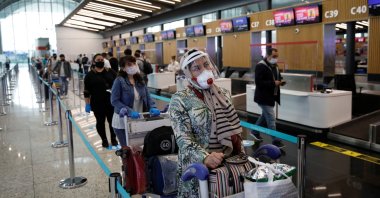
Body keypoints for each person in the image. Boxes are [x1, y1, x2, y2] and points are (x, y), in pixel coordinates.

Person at [168, 49, 244, 197]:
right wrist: (205, 157)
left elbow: (232, 126)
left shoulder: (224, 93)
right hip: (198, 169)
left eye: (206, 64)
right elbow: (183, 139)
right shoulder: (180, 99)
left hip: (228, 166)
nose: (205, 70)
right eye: (197, 68)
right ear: (189, 74)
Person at [110, 55, 159, 146]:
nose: (133, 66)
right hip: (122, 121)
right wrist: (129, 111)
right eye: (129, 64)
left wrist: (152, 107)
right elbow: (114, 100)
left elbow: (148, 97)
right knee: (127, 151)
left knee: (139, 149)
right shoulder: (119, 81)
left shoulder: (140, 80)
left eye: (134, 63)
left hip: (138, 118)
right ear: (123, 68)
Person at [251, 48, 285, 148]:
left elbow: (277, 77)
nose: (276, 58)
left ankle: (254, 132)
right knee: (271, 118)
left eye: (277, 56)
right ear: (268, 55)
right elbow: (259, 83)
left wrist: (280, 81)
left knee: (264, 117)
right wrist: (273, 83)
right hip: (263, 97)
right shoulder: (261, 66)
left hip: (271, 96)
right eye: (274, 56)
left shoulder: (275, 66)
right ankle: (276, 140)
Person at [84, 54, 118, 148]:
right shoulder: (89, 75)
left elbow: (118, 83)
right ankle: (104, 139)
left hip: (111, 102)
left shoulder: (110, 72)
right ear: (94, 61)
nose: (100, 61)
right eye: (98, 59)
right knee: (100, 122)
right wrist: (87, 104)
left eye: (102, 59)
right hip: (97, 103)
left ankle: (113, 138)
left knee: (112, 122)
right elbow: (86, 91)